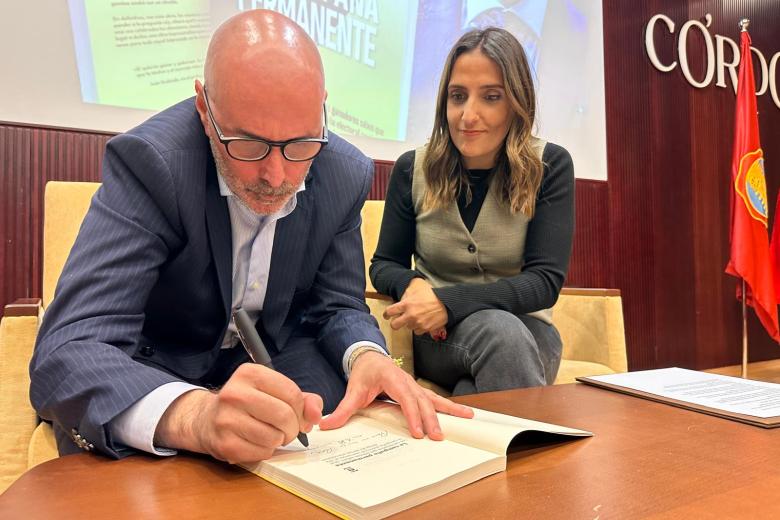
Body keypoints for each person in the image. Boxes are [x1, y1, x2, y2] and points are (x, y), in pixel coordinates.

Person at [30, 9, 472, 465]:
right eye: (247, 145)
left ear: (322, 108)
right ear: (205, 110)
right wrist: (195, 415)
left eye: (301, 144)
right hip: (160, 364)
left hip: (275, 362)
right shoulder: (152, 162)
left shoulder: (343, 171)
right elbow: (71, 347)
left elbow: (338, 305)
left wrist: (366, 356)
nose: (276, 177)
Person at [370, 27, 574, 396]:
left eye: (491, 97)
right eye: (457, 96)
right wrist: (413, 284)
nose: (468, 115)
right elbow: (384, 264)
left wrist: (447, 301)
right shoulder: (411, 168)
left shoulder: (551, 165)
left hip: (530, 331)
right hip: (442, 338)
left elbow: (544, 282)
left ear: (516, 102)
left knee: (477, 380)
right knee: (499, 335)